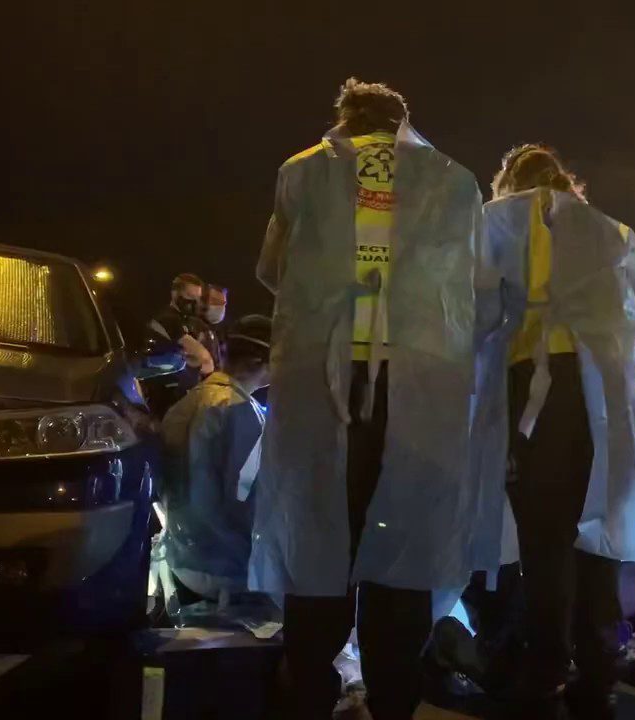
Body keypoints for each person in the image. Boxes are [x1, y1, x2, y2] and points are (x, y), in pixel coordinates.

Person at [251, 78, 483, 720]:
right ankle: (392, 697)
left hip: (325, 384)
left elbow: (274, 270)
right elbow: (471, 284)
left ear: (344, 122)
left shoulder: (300, 173)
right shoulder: (457, 182)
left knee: (319, 531)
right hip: (419, 393)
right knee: (400, 540)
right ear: (404, 123)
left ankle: (310, 691)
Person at [475, 143, 635, 719]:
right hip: (604, 397)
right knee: (597, 537)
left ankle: (544, 672)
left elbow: (475, 312)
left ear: (509, 182)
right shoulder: (613, 232)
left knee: (545, 543)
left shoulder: (500, 220)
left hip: (537, 391)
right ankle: (597, 673)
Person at [159, 315, 272, 601]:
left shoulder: (187, 402)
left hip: (184, 563)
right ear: (262, 361)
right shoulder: (240, 411)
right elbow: (246, 503)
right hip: (229, 574)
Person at [142, 273, 216, 415]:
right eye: (189, 295)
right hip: (166, 395)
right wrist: (196, 361)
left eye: (197, 298)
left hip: (181, 393)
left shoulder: (190, 322)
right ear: (175, 294)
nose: (193, 301)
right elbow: (204, 359)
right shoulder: (168, 319)